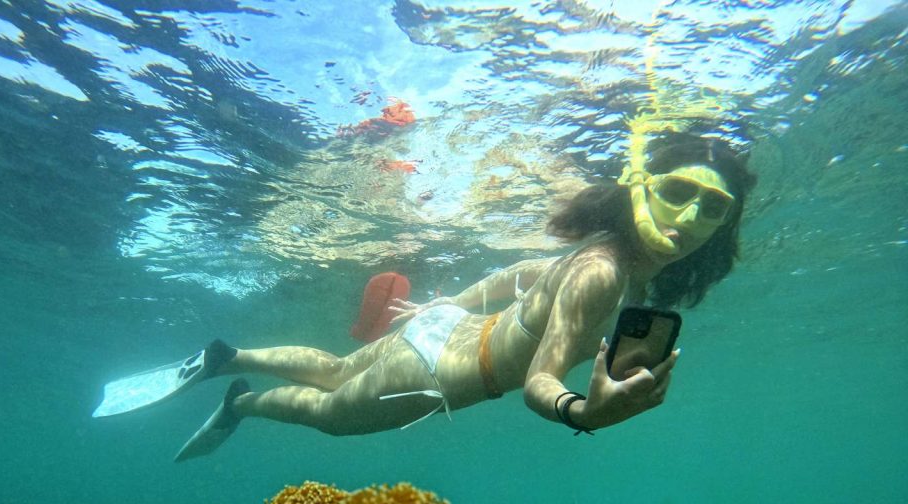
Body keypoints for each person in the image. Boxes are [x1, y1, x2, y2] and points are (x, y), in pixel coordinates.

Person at [94, 132, 755, 461]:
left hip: (442, 335)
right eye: (678, 191)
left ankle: (227, 354)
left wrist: (451, 307)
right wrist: (584, 412)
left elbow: (519, 275)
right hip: (444, 371)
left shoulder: (600, 255)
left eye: (714, 206)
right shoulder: (605, 274)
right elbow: (540, 381)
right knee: (330, 413)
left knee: (333, 366)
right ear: (641, 188)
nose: (693, 216)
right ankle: (243, 399)